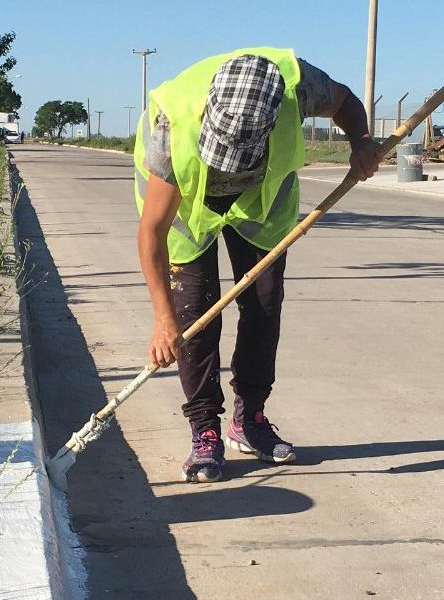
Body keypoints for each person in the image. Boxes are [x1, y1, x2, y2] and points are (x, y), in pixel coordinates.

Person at [134, 47, 380, 483]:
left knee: (264, 305)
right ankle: (204, 429)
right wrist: (161, 319)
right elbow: (151, 231)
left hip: (262, 207)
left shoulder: (300, 86)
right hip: (187, 212)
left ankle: (249, 420)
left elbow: (348, 104)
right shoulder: (173, 127)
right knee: (193, 315)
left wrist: (361, 143)